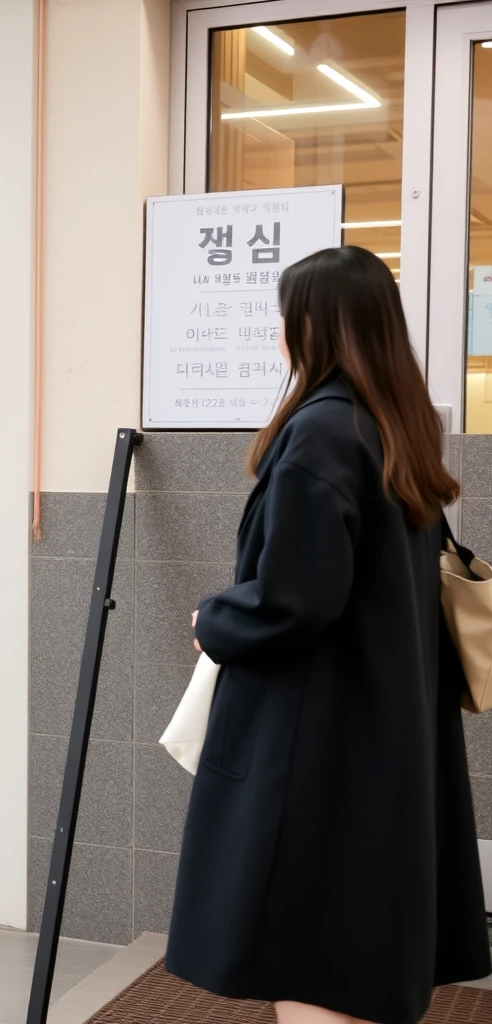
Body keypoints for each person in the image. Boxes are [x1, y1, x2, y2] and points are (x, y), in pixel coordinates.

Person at [166, 246, 491, 1024]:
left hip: (317, 749)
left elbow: (296, 601)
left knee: (307, 954)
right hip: (384, 734)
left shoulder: (320, 432)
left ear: (313, 327)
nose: (279, 333)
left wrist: (214, 619)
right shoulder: (394, 426)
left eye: (286, 316)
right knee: (359, 951)